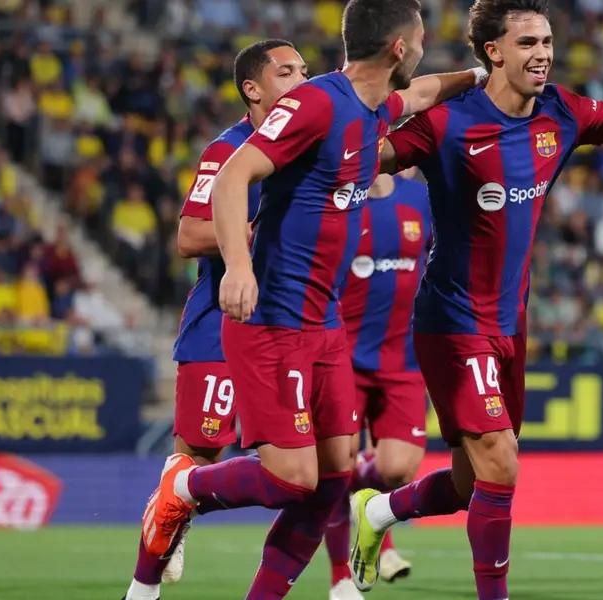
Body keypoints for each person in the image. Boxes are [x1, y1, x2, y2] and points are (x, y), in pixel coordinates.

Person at [347, 1, 603, 597]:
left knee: (472, 481)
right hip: (452, 322)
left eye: (546, 41)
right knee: (501, 464)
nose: (543, 54)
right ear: (493, 52)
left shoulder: (561, 113)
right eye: (527, 44)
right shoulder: (447, 122)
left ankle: (377, 513)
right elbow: (361, 157)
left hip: (510, 325)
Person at [137, 2, 484, 598]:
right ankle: (184, 490)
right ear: (398, 48)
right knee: (294, 480)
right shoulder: (320, 102)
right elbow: (233, 174)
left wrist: (480, 77)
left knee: (332, 479)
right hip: (273, 316)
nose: (423, 51)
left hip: (324, 325)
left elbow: (424, 92)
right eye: (421, 40)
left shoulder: (369, 109)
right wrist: (239, 269)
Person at [123, 38, 308, 600]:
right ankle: (143, 588)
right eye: (286, 72)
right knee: (197, 457)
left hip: (295, 330)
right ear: (253, 89)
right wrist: (258, 237)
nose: (303, 80)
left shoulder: (313, 147)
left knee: (315, 470)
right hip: (221, 326)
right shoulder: (228, 150)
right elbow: (189, 235)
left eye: (305, 70)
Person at [322, 170, 433, 600]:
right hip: (342, 358)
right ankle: (340, 578)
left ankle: (362, 497)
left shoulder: (420, 200)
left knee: (397, 469)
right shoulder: (335, 202)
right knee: (334, 467)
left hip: (402, 360)